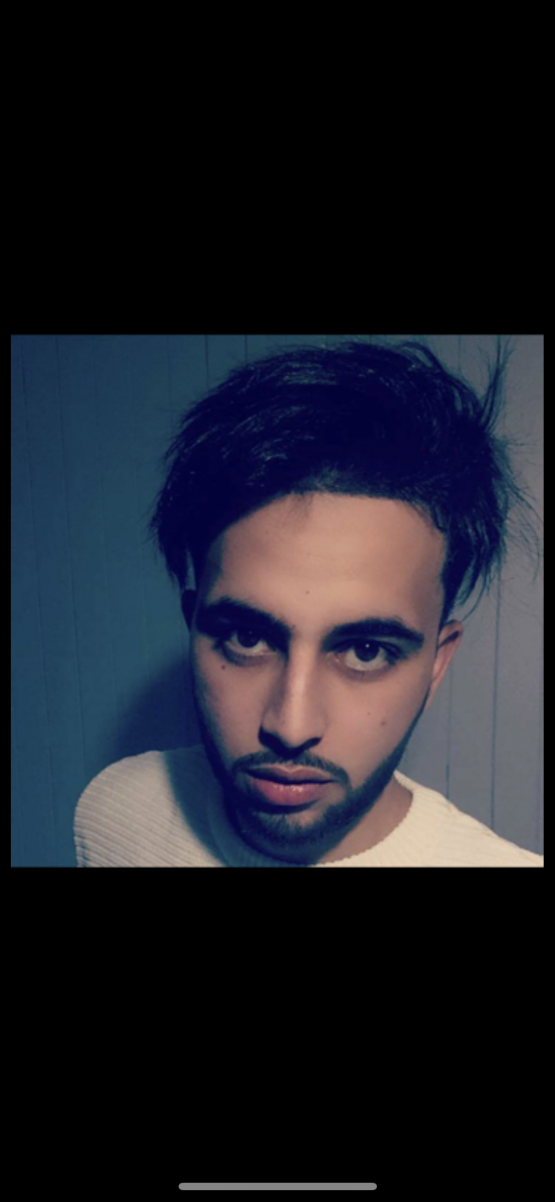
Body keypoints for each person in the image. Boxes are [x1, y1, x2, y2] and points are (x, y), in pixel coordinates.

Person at [74, 338, 543, 867]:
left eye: (366, 650)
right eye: (247, 638)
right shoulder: (115, 812)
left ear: (437, 663)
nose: (290, 727)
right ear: (193, 625)